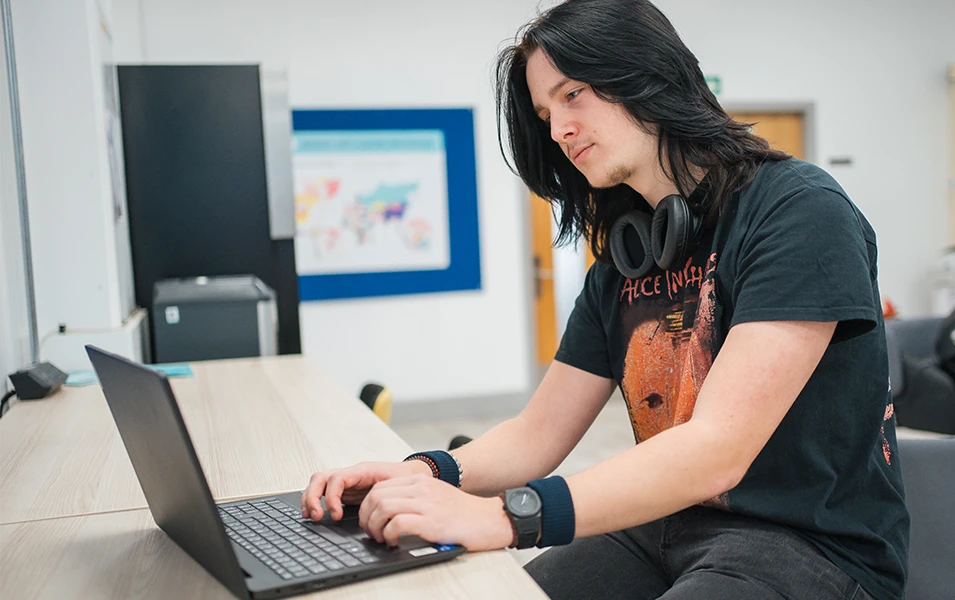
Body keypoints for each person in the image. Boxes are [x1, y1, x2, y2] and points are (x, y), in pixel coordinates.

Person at [301, 1, 909, 598]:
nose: (559, 128)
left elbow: (717, 450)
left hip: (807, 544)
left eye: (573, 94)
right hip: (669, 522)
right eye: (545, 112)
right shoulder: (624, 260)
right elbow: (538, 432)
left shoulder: (799, 212)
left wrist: (505, 518)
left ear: (647, 76)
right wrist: (424, 471)